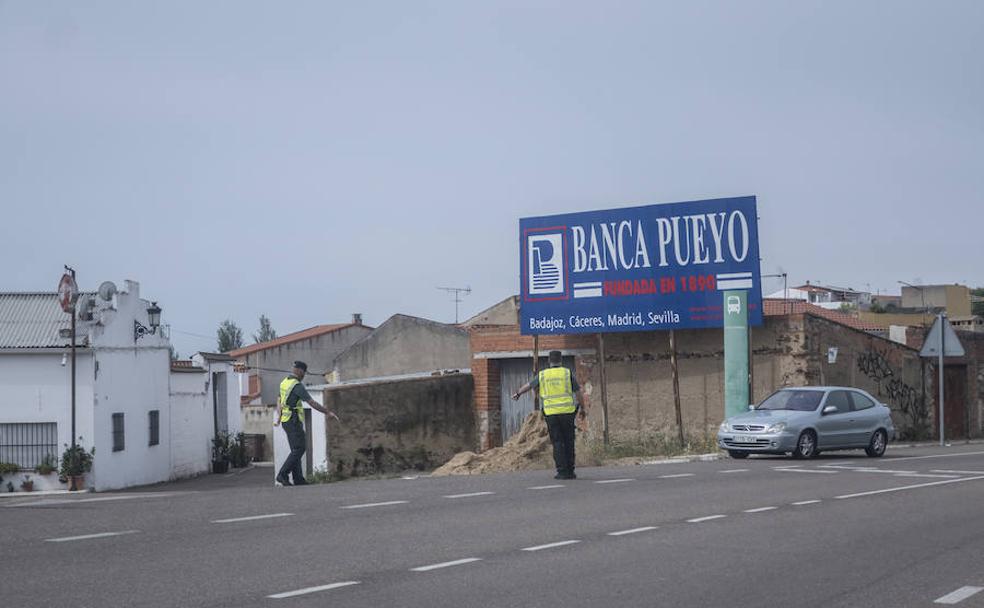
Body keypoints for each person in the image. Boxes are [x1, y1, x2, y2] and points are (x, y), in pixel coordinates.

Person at [511, 351, 587, 480]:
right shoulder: (567, 373)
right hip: (567, 413)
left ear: (549, 361)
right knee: (569, 442)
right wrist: (583, 408)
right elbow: (578, 393)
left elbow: (529, 386)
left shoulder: (543, 375)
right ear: (561, 361)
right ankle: (570, 471)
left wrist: (518, 393)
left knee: (557, 442)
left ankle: (562, 472)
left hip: (551, 415)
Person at [274, 361, 338, 486]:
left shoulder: (284, 382)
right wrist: (327, 412)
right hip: (293, 421)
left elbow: (279, 400)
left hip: (286, 421)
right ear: (299, 371)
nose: (304, 375)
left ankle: (298, 478)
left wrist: (279, 417)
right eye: (303, 372)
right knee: (300, 448)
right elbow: (312, 402)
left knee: (295, 449)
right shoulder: (296, 385)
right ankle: (282, 474)